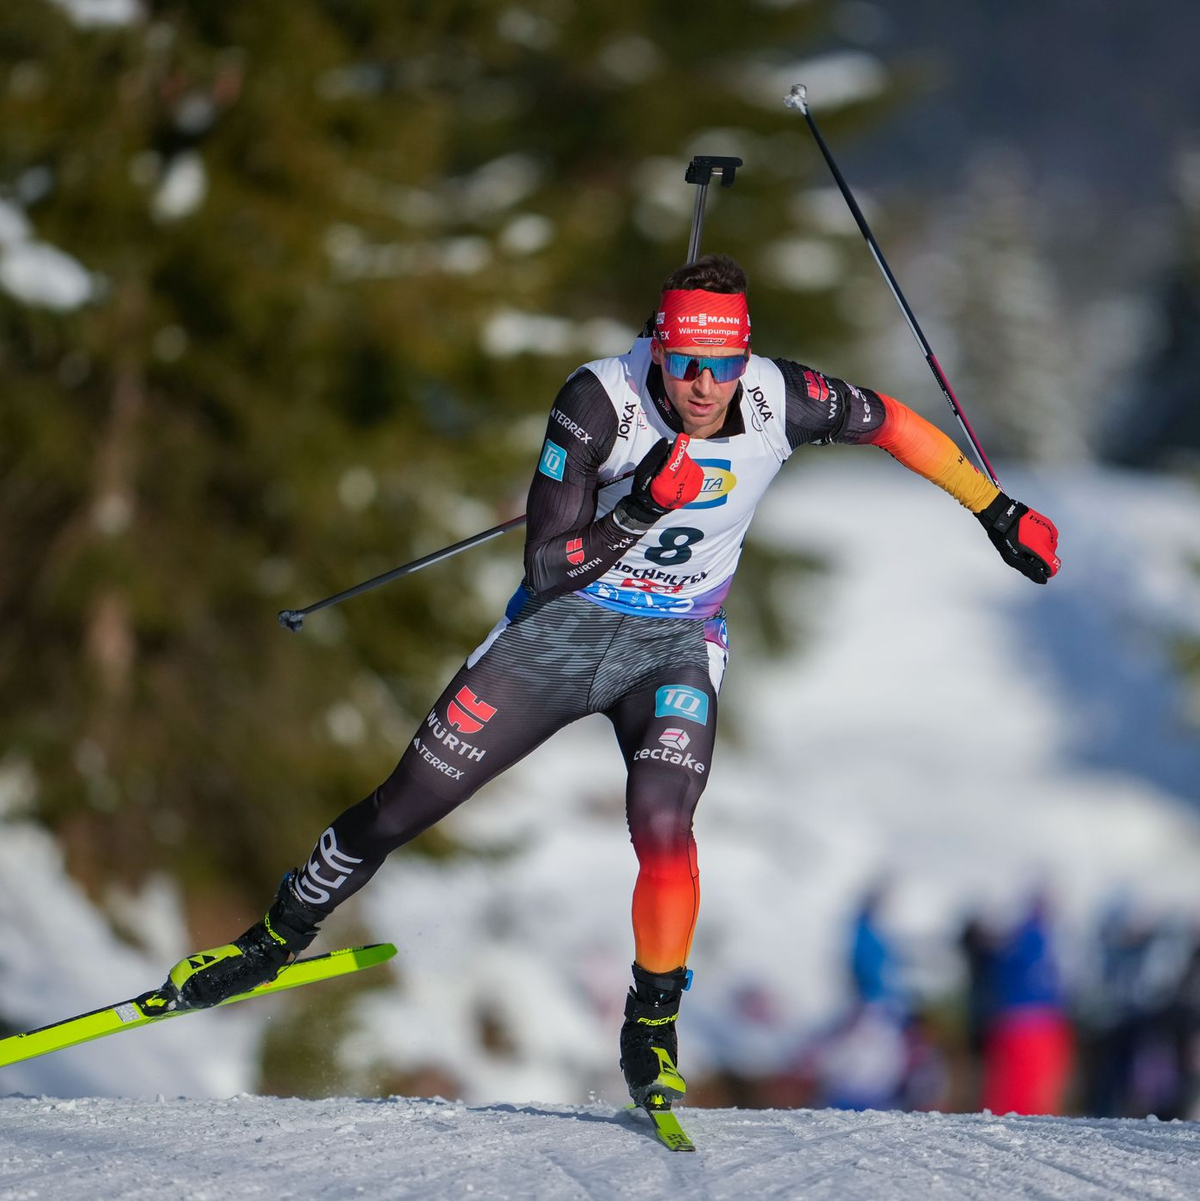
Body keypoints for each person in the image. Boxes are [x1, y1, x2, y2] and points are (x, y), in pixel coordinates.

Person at [155, 254, 1061, 1110]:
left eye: (722, 363)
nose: (704, 386)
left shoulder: (782, 396)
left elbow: (895, 422)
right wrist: (640, 507)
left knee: (664, 822)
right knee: (402, 805)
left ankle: (652, 1025)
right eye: (685, 363)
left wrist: (996, 509)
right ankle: (274, 936)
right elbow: (547, 563)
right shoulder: (600, 401)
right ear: (657, 347)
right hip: (556, 635)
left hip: (674, 644)